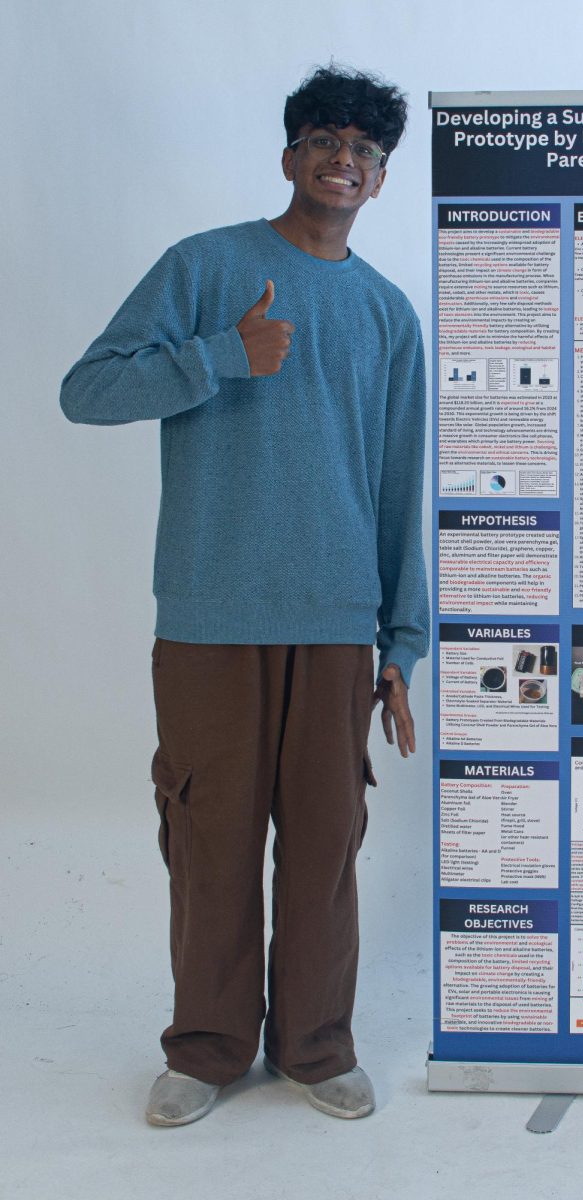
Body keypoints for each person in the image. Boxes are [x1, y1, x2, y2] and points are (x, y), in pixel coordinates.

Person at [60, 65, 429, 1127]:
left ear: (380, 176)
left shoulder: (385, 315)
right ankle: (210, 1048)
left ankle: (314, 1047)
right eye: (323, 137)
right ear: (288, 156)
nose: (342, 158)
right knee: (210, 838)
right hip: (210, 617)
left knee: (323, 843)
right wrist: (223, 355)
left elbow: (396, 483)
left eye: (363, 148)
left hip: (334, 626)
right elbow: (87, 390)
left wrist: (401, 644)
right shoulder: (208, 267)